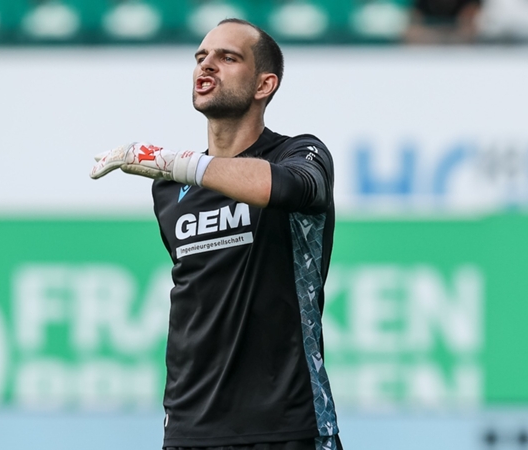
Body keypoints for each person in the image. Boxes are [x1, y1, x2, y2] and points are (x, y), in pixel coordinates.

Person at [90, 18, 341, 450]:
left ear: (265, 85)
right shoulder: (169, 188)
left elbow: (284, 187)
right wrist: (176, 168)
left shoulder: (300, 154)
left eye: (228, 57)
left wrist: (172, 161)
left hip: (287, 425)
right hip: (191, 427)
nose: (207, 66)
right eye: (201, 57)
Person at [404, 0, 482, 44]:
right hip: (430, 40)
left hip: (457, 41)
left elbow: (467, 23)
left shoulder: (468, 3)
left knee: (468, 31)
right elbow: (416, 24)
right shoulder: (421, 3)